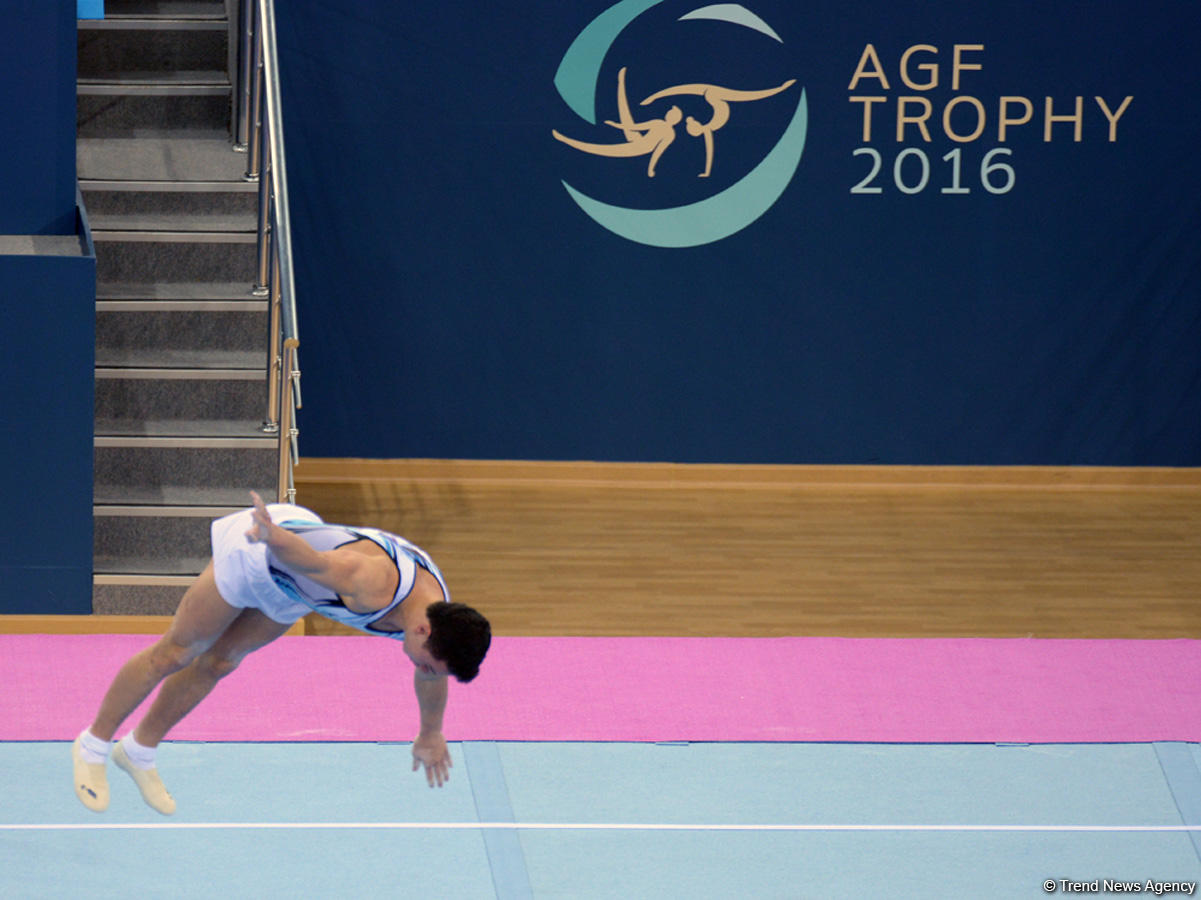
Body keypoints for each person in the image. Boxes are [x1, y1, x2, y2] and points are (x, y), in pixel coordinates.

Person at [72, 491, 491, 815]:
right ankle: (92, 746)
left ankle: (139, 750)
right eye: (427, 664)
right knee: (177, 653)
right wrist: (273, 536)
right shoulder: (371, 580)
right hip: (264, 550)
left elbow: (431, 676)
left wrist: (431, 731)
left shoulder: (436, 619)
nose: (426, 672)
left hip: (294, 591)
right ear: (422, 630)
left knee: (220, 662)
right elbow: (314, 564)